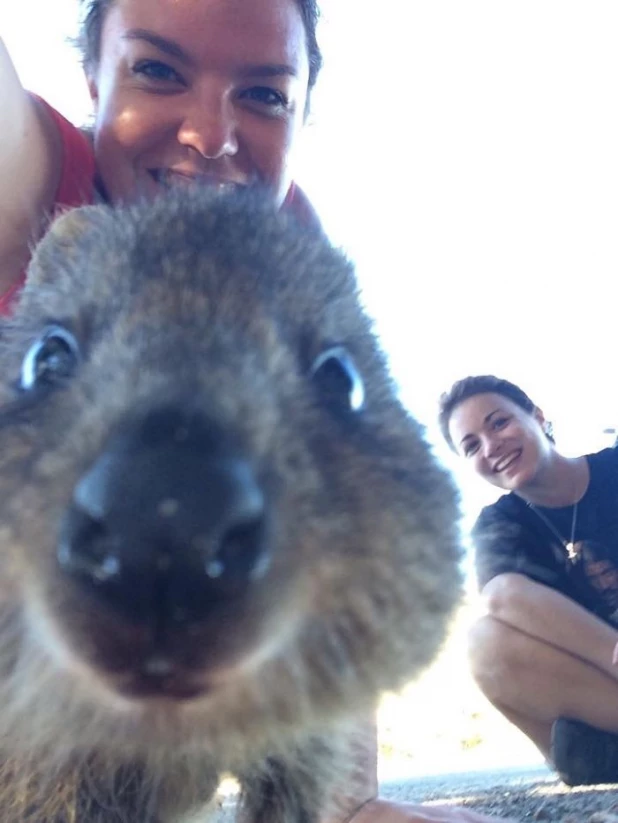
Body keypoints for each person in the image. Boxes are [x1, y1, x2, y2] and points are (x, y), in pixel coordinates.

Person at [0, 3, 513, 821]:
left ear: (303, 112)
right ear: (92, 75)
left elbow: (367, 496)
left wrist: (348, 797)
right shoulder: (32, 184)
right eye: (158, 71)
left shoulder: (293, 252)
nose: (211, 134)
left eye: (265, 95)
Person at [439, 374, 618, 787]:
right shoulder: (499, 523)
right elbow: (504, 595)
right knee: (485, 642)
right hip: (603, 677)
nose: (491, 446)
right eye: (471, 446)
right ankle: (588, 759)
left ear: (537, 416)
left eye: (499, 423)